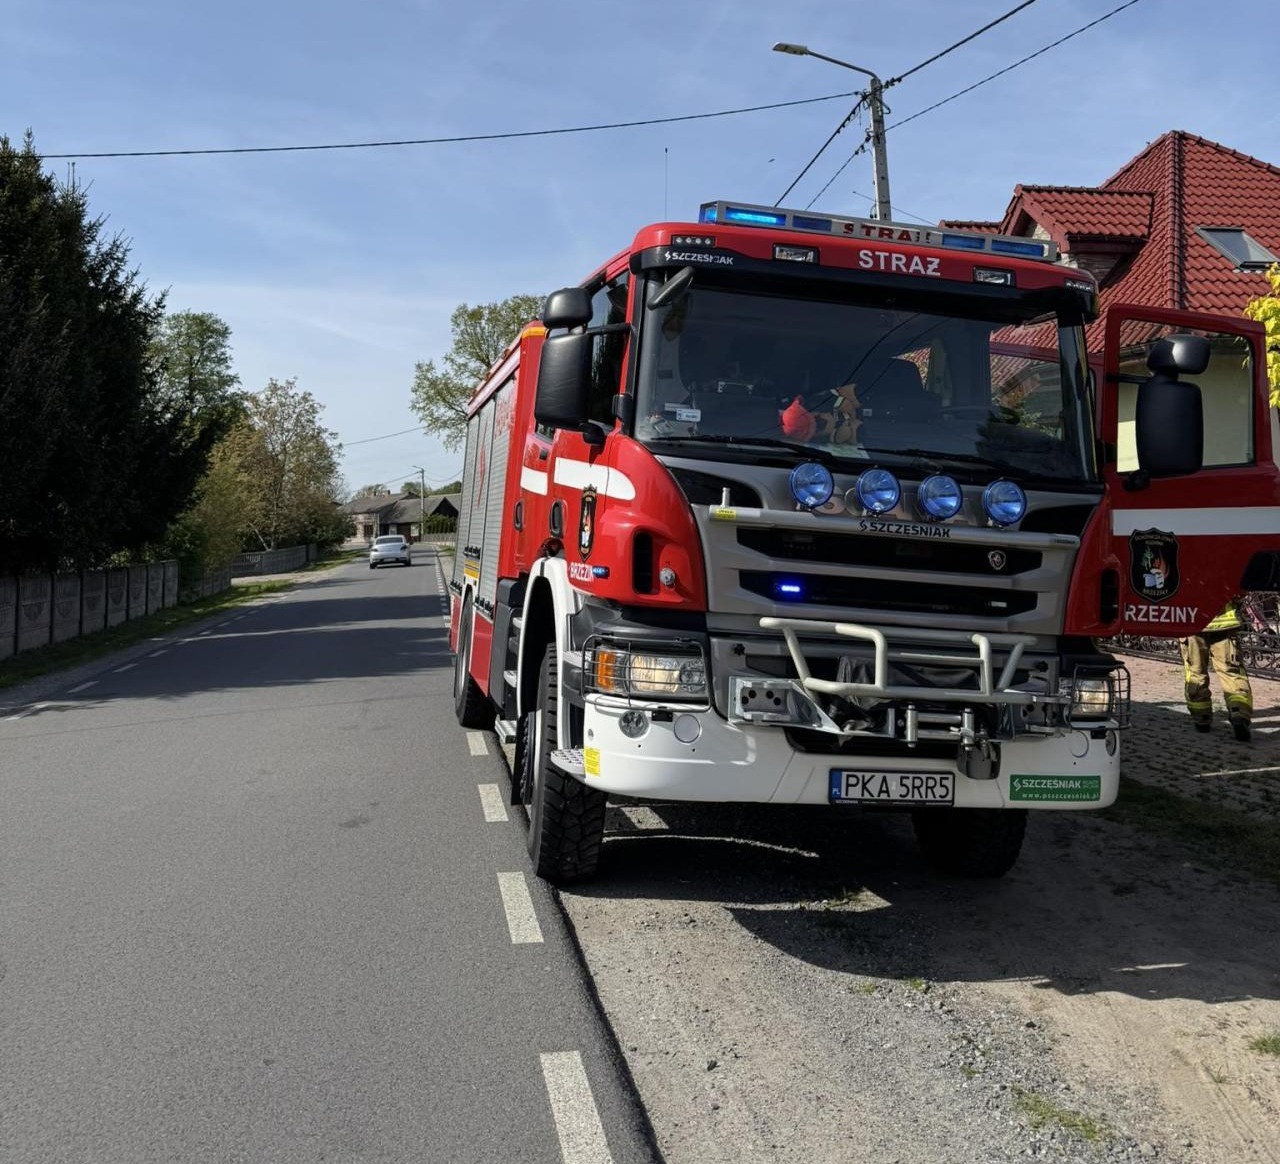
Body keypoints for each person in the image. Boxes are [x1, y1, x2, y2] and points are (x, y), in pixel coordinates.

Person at [1179, 598, 1253, 741]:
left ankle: (1202, 718)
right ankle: (1239, 715)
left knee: (1196, 672)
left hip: (1192, 620)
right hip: (1225, 622)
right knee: (1232, 672)